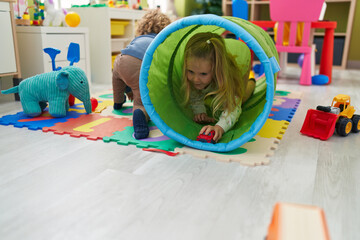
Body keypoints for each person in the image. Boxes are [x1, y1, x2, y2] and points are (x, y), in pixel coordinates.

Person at [182, 32, 255, 142]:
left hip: (241, 60)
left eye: (203, 74)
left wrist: (219, 127)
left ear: (216, 71)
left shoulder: (228, 77)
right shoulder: (196, 73)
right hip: (218, 54)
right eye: (191, 71)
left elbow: (233, 109)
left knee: (242, 97)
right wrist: (200, 112)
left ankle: (252, 81)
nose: (195, 79)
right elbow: (195, 95)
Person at [112, 9, 171, 139]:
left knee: (117, 75)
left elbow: (129, 59)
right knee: (140, 101)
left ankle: (118, 101)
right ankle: (140, 118)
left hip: (123, 60)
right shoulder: (160, 41)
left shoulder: (138, 39)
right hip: (141, 65)